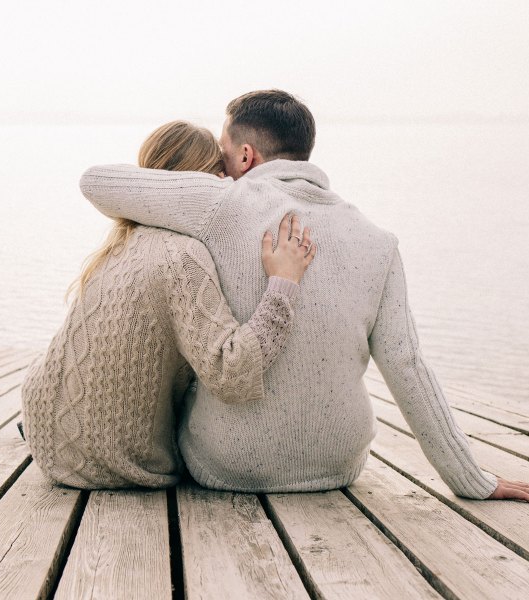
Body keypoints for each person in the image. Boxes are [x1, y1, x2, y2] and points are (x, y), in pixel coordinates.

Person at [77, 90, 529, 503]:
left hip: (227, 467)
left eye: (223, 158)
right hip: (337, 467)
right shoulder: (378, 241)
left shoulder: (221, 205)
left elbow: (97, 182)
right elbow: (408, 368)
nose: (219, 171)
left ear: (245, 157)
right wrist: (474, 480)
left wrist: (201, 186)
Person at [21, 120, 316, 489]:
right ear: (199, 182)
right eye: (219, 176)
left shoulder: (120, 242)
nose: (228, 186)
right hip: (109, 461)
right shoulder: (184, 256)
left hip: (44, 431)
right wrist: (283, 285)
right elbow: (232, 374)